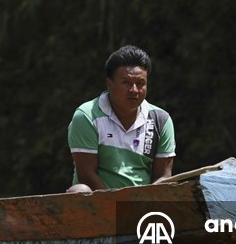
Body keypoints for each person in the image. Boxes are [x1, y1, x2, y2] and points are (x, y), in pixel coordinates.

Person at [67, 45, 176, 191]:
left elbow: (163, 177)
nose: (134, 90)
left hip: (142, 204)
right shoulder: (87, 116)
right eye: (126, 83)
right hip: (100, 203)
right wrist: (117, 208)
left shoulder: (161, 120)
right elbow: (86, 174)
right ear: (109, 84)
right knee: (79, 190)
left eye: (140, 83)